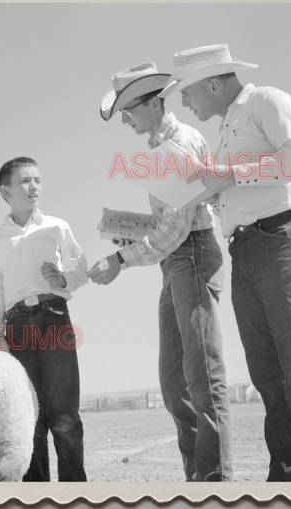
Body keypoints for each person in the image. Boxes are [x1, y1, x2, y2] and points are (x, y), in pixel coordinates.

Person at [160, 43, 291, 481]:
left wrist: (232, 174)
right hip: (246, 249)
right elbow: (234, 184)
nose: (184, 102)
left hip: (283, 239)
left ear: (214, 82)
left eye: (188, 92)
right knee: (268, 378)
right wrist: (202, 187)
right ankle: (287, 478)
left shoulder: (267, 100)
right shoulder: (226, 131)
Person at [88, 63, 233, 482]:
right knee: (175, 383)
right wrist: (128, 232)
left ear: (153, 103)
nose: (126, 120)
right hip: (176, 261)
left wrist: (120, 260)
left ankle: (214, 484)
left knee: (201, 376)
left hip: (190, 257)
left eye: (128, 111)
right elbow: (172, 222)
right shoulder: (159, 148)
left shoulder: (181, 142)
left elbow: (177, 227)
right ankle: (199, 478)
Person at [0, 157, 88, 482]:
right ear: (6, 191)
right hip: (15, 327)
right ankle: (36, 493)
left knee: (64, 412)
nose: (34, 187)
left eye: (38, 180)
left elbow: (80, 270)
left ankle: (75, 492)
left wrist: (62, 279)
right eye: (25, 181)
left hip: (53, 317)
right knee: (28, 414)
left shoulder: (57, 226)